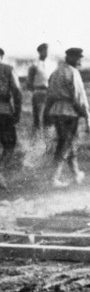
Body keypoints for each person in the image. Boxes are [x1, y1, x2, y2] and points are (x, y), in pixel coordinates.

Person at [46, 47, 90, 187]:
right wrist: (87, 117)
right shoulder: (73, 72)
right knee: (65, 144)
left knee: (68, 143)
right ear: (70, 57)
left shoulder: (55, 72)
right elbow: (79, 98)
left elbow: (50, 95)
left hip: (57, 111)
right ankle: (54, 178)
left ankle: (76, 174)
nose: (79, 61)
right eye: (78, 58)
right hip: (69, 112)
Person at [0, 49, 22, 190]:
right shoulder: (8, 69)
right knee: (9, 145)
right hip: (3, 111)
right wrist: (18, 112)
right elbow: (17, 91)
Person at [26, 43, 50, 135]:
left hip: (49, 93)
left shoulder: (50, 64)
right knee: (39, 118)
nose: (47, 53)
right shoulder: (35, 65)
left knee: (48, 118)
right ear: (40, 52)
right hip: (39, 92)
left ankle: (47, 138)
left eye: (48, 51)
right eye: (45, 51)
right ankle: (37, 139)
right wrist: (35, 91)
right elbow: (29, 82)